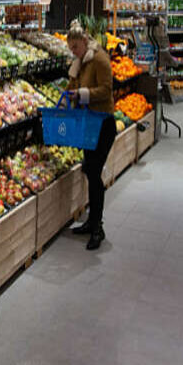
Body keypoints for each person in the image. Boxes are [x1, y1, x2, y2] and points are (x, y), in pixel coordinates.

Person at [66, 21, 117, 250]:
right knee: (90, 171)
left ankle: (97, 228)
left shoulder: (99, 59)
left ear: (85, 42)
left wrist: (82, 94)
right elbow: (74, 85)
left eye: (75, 48)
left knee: (94, 174)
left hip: (103, 124)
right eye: (71, 49)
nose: (73, 52)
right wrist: (70, 89)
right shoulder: (80, 63)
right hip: (89, 124)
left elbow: (107, 90)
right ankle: (92, 222)